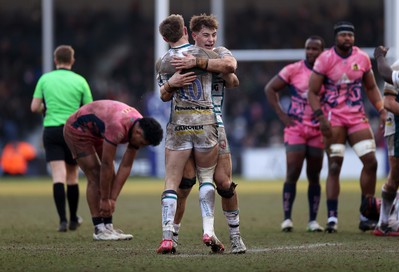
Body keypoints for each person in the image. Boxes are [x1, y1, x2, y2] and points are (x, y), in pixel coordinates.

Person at [161, 14, 246, 254]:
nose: (210, 40)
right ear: (193, 34)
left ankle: (235, 236)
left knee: (225, 184)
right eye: (206, 35)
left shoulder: (219, 52)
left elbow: (232, 74)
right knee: (186, 183)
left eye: (213, 35)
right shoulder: (177, 58)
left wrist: (200, 64)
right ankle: (173, 237)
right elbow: (165, 93)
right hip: (185, 125)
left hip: (214, 125)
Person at [308, 22, 386, 233]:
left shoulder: (361, 58)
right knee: (334, 166)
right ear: (336, 38)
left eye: (350, 35)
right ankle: (332, 217)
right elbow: (312, 92)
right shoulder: (325, 59)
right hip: (333, 119)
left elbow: (370, 87)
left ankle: (366, 215)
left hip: (356, 118)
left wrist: (381, 110)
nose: (347, 39)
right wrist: (321, 118)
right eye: (343, 35)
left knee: (371, 162)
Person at [63, 99, 163, 241]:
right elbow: (106, 163)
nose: (139, 146)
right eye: (141, 143)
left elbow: (126, 166)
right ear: (139, 132)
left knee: (110, 176)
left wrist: (112, 199)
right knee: (96, 175)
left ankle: (108, 227)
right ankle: (99, 229)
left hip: (97, 130)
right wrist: (104, 199)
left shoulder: (139, 126)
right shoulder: (118, 126)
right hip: (77, 129)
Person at [265, 36, 325, 233]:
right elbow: (270, 88)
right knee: (293, 172)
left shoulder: (327, 72)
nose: (311, 52)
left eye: (315, 49)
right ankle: (287, 218)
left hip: (318, 129)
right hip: (296, 128)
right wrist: (282, 115)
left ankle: (313, 220)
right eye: (308, 48)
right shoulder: (294, 69)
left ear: (322, 52)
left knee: (314, 175)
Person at [31, 45, 93, 232]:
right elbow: (89, 109)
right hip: (72, 131)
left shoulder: (45, 79)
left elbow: (34, 107)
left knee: (58, 176)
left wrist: (45, 110)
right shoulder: (80, 81)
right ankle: (74, 219)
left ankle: (62, 221)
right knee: (72, 176)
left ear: (55, 60)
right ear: (72, 60)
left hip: (51, 131)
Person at [372, 46, 399, 236]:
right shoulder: (397, 68)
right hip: (397, 126)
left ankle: (394, 220)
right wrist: (380, 57)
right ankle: (383, 222)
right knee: (395, 178)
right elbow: (389, 103)